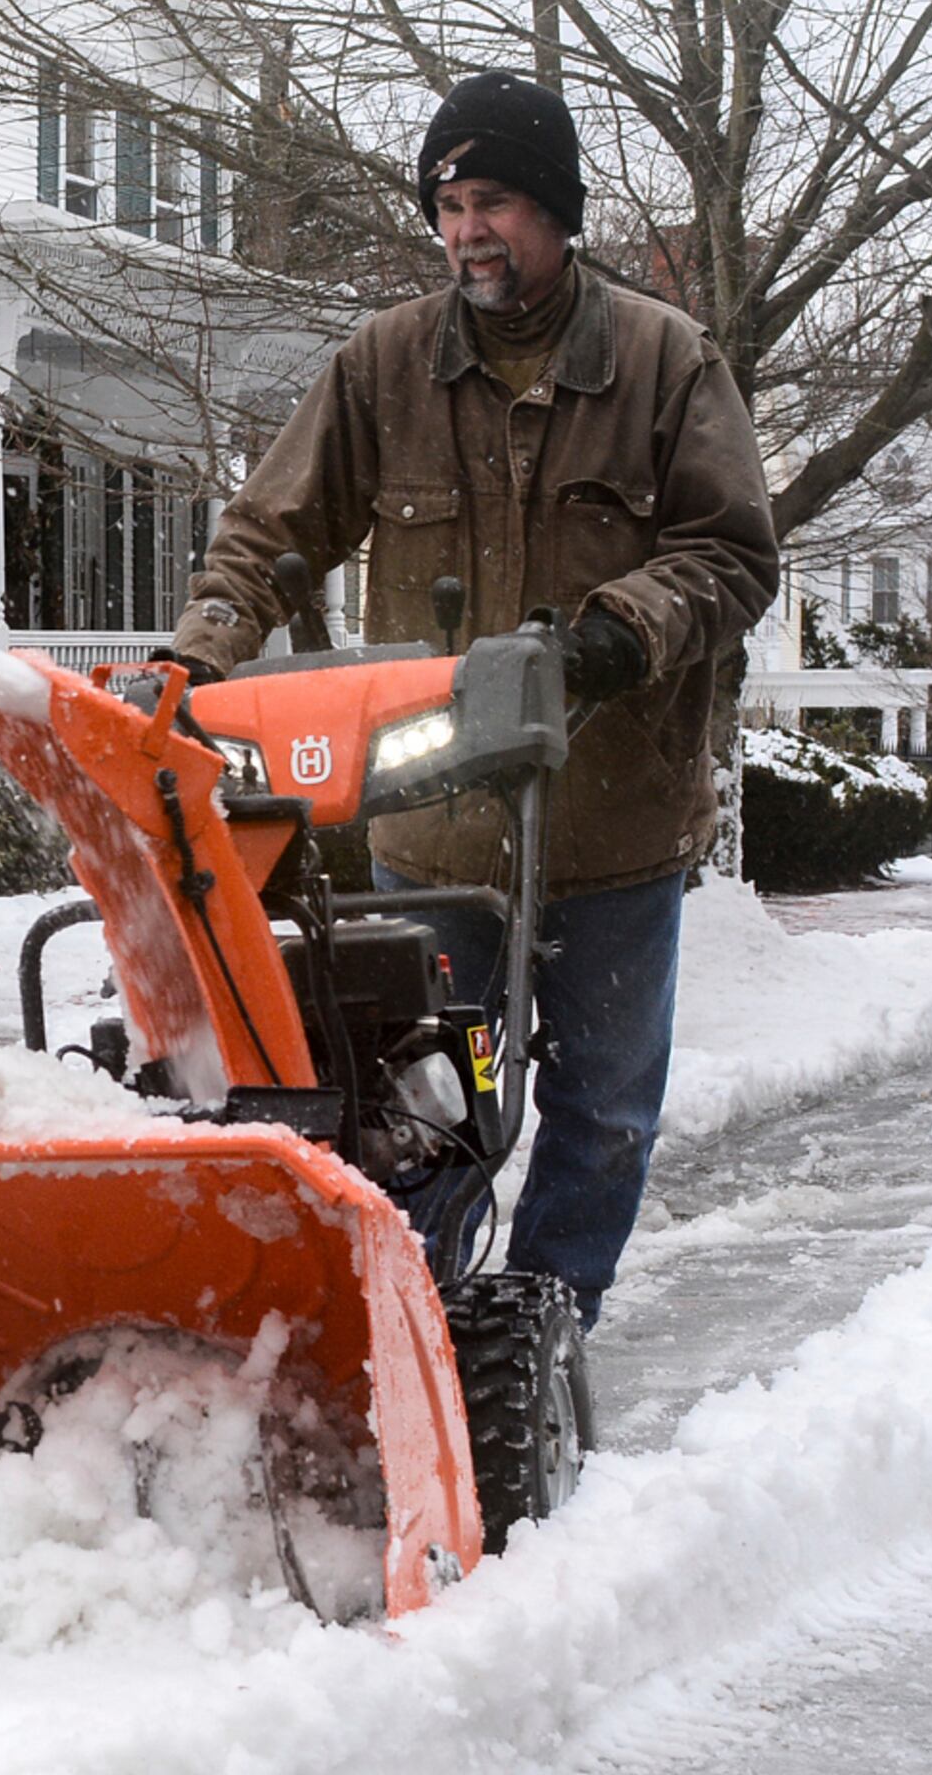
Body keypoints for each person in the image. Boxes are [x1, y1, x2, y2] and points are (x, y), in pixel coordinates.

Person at [167, 70, 780, 1328]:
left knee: (603, 1108)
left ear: (556, 208)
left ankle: (546, 1325)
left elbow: (734, 552)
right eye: (447, 205)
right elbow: (266, 526)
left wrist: (619, 633)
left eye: (491, 200)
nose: (465, 232)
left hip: (611, 822)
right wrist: (198, 660)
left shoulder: (667, 364)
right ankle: (428, 1332)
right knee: (419, 1103)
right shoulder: (385, 363)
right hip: (430, 822)